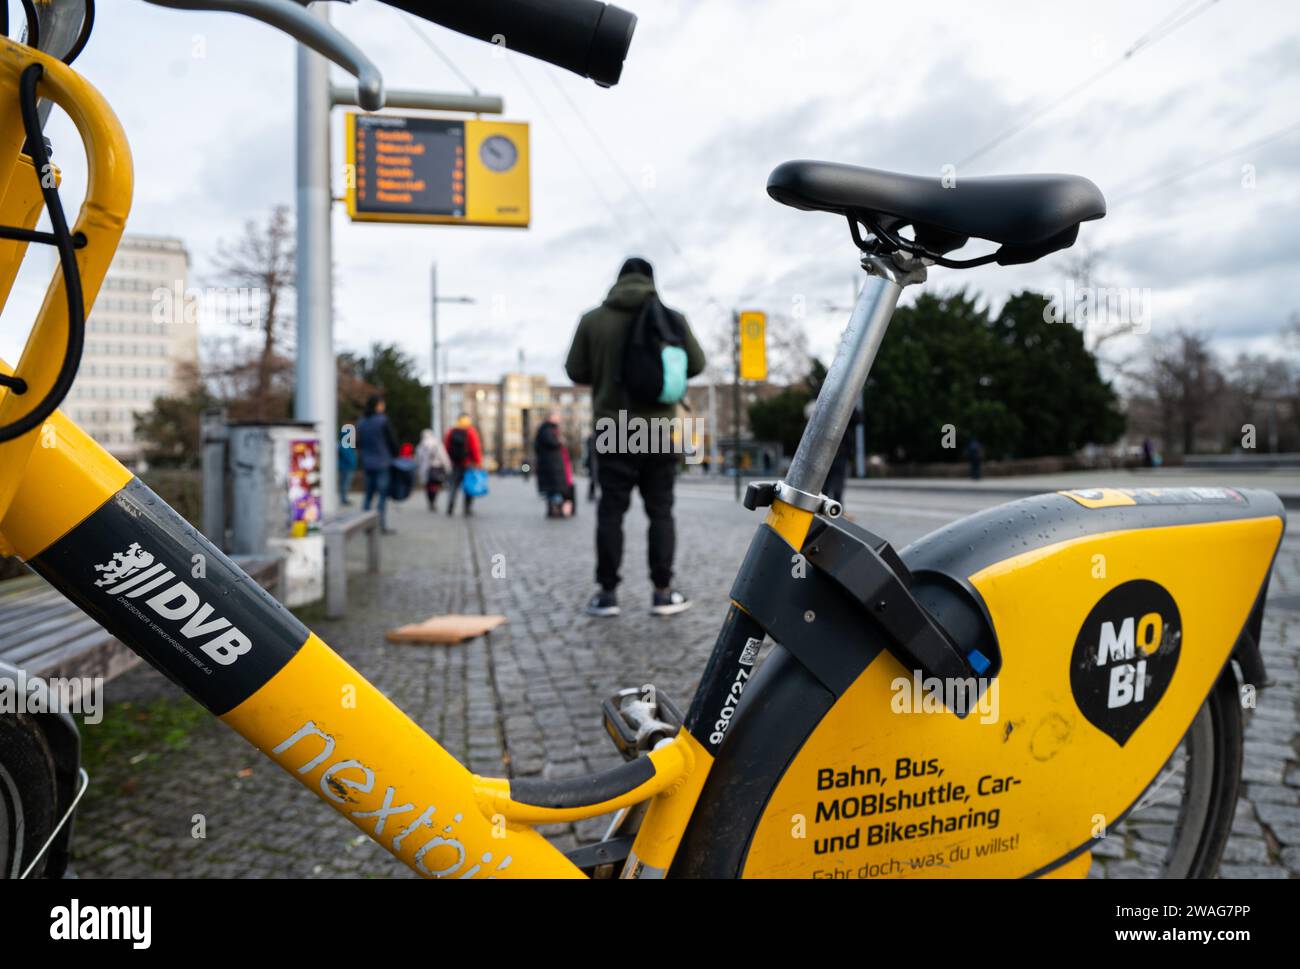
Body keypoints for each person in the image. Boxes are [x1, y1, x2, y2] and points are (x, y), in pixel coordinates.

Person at [565, 256, 706, 617]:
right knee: (660, 512)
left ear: (619, 280)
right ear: (651, 281)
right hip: (658, 430)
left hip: (613, 428)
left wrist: (605, 369)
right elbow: (697, 364)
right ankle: (663, 592)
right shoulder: (672, 318)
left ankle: (607, 595)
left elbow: (575, 370)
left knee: (611, 512)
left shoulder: (592, 320)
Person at [357, 394, 398, 533]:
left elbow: (356, 442)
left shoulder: (361, 422)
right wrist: (396, 454)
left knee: (368, 495)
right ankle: (380, 525)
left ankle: (364, 525)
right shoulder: (383, 420)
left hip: (367, 463)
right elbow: (392, 440)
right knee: (382, 495)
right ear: (377, 406)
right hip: (382, 462)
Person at [535, 410, 574, 519]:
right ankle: (554, 511)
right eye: (557, 416)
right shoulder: (547, 429)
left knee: (554, 490)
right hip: (551, 465)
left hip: (553, 465)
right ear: (551, 417)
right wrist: (560, 441)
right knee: (554, 490)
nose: (559, 419)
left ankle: (555, 510)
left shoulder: (549, 429)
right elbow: (552, 442)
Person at [444, 413, 483, 516]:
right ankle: (467, 508)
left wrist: (450, 460)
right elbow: (475, 448)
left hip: (455, 463)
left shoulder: (451, 431)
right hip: (468, 463)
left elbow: (447, 447)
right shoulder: (470, 431)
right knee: (468, 486)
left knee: (453, 486)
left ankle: (450, 506)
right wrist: (478, 462)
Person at [415, 428, 451, 511]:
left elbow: (418, 459)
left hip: (425, 469)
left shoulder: (420, 446)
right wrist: (447, 466)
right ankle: (433, 500)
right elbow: (443, 456)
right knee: (435, 485)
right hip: (436, 467)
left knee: (428, 485)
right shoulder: (437, 444)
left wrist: (418, 469)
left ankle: (430, 501)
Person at [338, 426, 357, 506]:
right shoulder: (343, 445)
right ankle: (344, 499)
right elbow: (348, 457)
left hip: (347, 467)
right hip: (346, 467)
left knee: (345, 484)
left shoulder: (346, 444)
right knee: (345, 484)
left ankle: (344, 498)